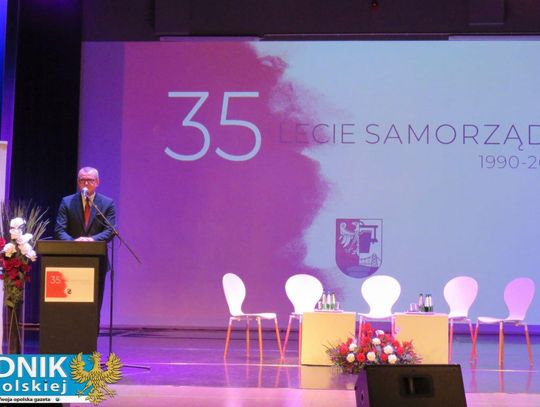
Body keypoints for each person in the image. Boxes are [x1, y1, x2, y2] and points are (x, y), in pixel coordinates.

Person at [54, 166, 116, 325]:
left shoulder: (107, 203)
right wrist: (74, 243)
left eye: (90, 180)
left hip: (98, 262)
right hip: (72, 262)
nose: (86, 183)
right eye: (82, 180)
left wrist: (92, 240)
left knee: (94, 304)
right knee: (73, 303)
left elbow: (110, 230)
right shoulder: (67, 202)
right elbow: (59, 230)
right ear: (78, 182)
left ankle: (92, 337)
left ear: (97, 182)